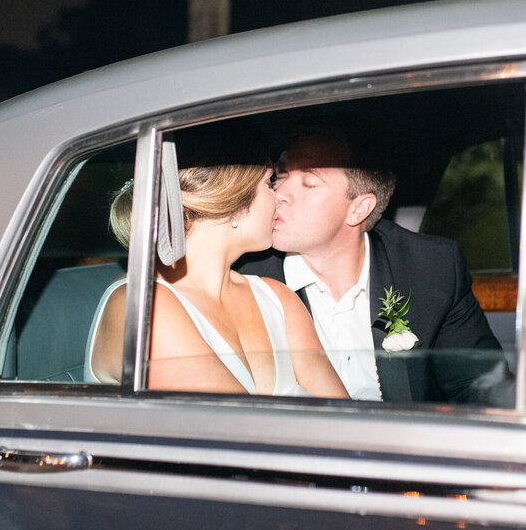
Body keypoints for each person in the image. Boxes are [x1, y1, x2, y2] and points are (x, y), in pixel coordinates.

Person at [238, 121, 508, 404]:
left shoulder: (431, 268)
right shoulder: (245, 279)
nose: (279, 193)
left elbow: (480, 388)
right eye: (279, 177)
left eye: (309, 183)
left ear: (358, 208)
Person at [88, 132, 348, 399]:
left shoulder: (279, 299)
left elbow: (347, 420)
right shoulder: (145, 307)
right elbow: (239, 432)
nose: (279, 196)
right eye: (269, 182)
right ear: (232, 203)